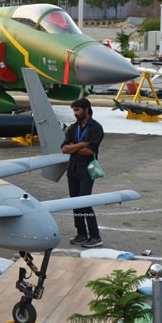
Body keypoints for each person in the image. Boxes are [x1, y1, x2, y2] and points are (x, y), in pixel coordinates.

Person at [60, 98, 104, 248]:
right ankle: (81, 233)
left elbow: (90, 151)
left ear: (86, 110)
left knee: (85, 202)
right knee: (75, 203)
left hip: (87, 170)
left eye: (78, 110)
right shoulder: (73, 128)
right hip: (72, 169)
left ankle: (95, 235)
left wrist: (73, 147)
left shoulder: (96, 128)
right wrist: (81, 144)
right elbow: (64, 148)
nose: (75, 113)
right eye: (74, 110)